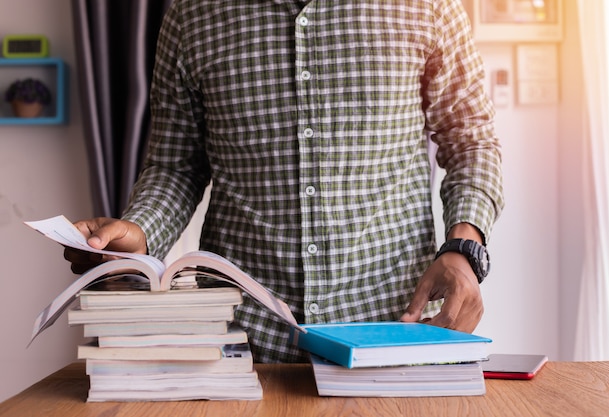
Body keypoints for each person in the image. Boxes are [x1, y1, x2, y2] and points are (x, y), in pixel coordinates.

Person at [65, 0, 504, 363]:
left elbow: (471, 142)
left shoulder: (428, 6)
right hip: (245, 342)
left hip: (392, 332)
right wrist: (140, 231)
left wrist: (464, 247)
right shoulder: (190, 15)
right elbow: (175, 166)